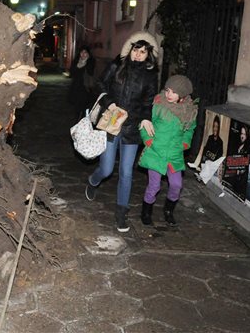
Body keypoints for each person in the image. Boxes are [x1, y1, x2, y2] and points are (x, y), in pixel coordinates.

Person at [84, 31, 159, 232]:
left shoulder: (150, 76)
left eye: (143, 52)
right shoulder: (117, 66)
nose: (139, 54)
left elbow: (147, 103)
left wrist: (145, 118)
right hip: (111, 123)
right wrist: (110, 103)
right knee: (107, 169)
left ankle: (121, 213)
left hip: (131, 129)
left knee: (126, 172)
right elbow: (100, 84)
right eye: (136, 49)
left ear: (148, 54)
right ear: (131, 49)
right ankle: (93, 180)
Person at [138, 75, 198, 227]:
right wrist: (148, 140)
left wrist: (185, 143)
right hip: (156, 151)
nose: (168, 95)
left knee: (176, 185)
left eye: (173, 92)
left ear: (183, 95)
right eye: (167, 90)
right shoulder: (159, 104)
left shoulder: (189, 111)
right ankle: (146, 212)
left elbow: (189, 129)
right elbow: (146, 123)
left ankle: (169, 210)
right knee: (154, 185)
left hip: (174, 153)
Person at [68, 45, 96, 121]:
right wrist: (77, 66)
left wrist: (86, 63)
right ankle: (77, 121)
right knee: (77, 107)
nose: (83, 54)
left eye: (85, 52)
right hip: (76, 87)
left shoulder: (91, 62)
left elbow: (91, 73)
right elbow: (71, 73)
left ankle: (83, 121)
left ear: (88, 54)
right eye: (81, 52)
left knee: (84, 107)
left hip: (85, 88)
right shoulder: (76, 61)